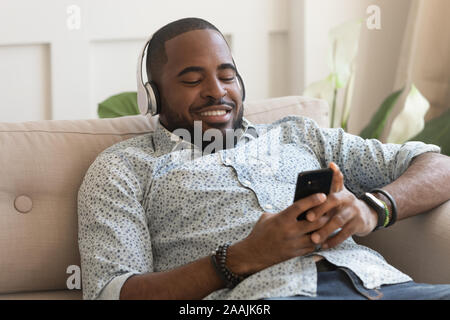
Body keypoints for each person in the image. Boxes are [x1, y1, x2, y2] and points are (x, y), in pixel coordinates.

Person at [77, 17, 450, 300]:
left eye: (227, 75)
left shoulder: (297, 134)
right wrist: (239, 258)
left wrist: (373, 208)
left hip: (381, 285)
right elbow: (112, 292)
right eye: (192, 81)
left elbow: (440, 167)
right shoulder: (123, 167)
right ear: (153, 97)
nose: (216, 91)